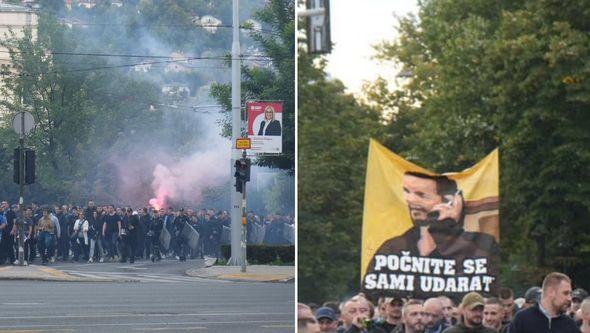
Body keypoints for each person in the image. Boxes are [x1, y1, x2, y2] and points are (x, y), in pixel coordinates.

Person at [364, 172, 499, 298]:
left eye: (421, 195)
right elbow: (369, 290)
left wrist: (445, 227)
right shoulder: (392, 248)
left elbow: (490, 291)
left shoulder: (480, 245)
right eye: (406, 192)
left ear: (449, 201)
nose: (411, 201)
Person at [508, 272, 580, 333]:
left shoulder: (570, 325)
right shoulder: (522, 320)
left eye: (570, 294)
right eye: (565, 293)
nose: (569, 298)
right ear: (550, 292)